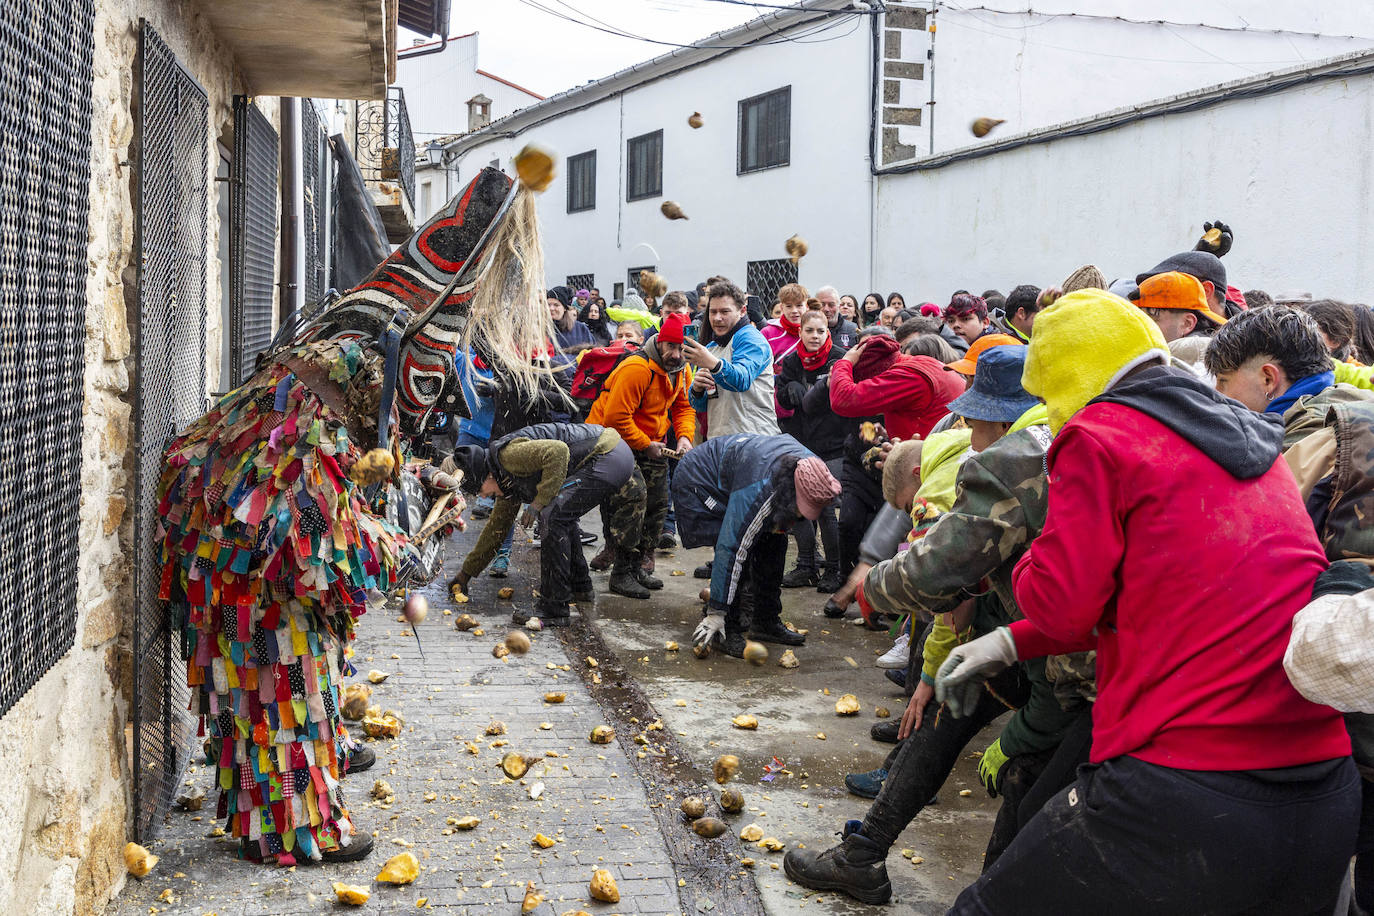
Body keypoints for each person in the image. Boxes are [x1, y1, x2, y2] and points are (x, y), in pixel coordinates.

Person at [936, 289, 1357, 915]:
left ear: (1072, 378)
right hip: (1321, 789)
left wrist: (1029, 555)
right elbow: (1177, 599)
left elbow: (1062, 603)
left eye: (1048, 396)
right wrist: (1007, 641)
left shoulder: (1101, 434)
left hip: (1187, 783)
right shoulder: (1244, 434)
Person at [785, 347, 1088, 904]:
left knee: (1027, 773)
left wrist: (871, 586)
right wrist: (932, 673)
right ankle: (863, 854)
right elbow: (966, 596)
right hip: (1021, 627)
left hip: (1073, 656)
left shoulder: (1012, 460)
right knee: (950, 699)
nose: (968, 430)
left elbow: (941, 571)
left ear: (998, 417)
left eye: (974, 420)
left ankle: (992, 897)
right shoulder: (1037, 437)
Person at [451, 423, 638, 627]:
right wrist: (465, 574)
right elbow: (496, 530)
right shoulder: (504, 481)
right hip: (611, 456)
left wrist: (538, 502)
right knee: (561, 514)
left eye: (482, 491)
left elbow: (558, 451)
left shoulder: (508, 456)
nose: (484, 496)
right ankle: (580, 586)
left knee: (552, 516)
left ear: (488, 475)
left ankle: (554, 608)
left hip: (608, 454)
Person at [675, 434, 840, 657]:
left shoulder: (816, 471)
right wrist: (717, 610)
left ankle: (765, 620)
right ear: (791, 491)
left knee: (774, 542)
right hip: (702, 479)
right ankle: (726, 626)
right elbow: (732, 548)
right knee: (741, 547)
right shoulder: (760, 490)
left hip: (746, 471)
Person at [586, 313, 695, 598]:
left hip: (650, 440)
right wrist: (646, 443)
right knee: (632, 499)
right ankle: (620, 572)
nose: (675, 354)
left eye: (681, 348)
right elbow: (616, 417)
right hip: (613, 440)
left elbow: (684, 407)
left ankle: (638, 567)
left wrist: (684, 437)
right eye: (670, 346)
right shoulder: (638, 368)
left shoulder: (682, 371)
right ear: (658, 342)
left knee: (658, 501)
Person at [776, 307, 849, 591]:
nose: (815, 336)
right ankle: (806, 565)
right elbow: (781, 396)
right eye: (809, 331)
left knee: (826, 508)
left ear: (827, 332)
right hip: (800, 443)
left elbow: (849, 394)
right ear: (800, 332)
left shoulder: (839, 358)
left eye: (820, 331)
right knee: (798, 508)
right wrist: (788, 390)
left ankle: (835, 569)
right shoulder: (793, 361)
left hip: (834, 445)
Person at [684, 279, 778, 438]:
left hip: (756, 440)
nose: (717, 318)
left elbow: (741, 380)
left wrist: (713, 364)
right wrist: (697, 389)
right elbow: (700, 406)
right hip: (720, 440)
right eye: (713, 312)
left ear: (742, 311)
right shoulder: (711, 348)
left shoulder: (752, 339)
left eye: (724, 312)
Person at [548, 286, 595, 358]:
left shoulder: (580, 329)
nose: (551, 308)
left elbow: (591, 354)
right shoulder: (539, 329)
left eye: (556, 305)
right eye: (548, 305)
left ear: (564, 308)